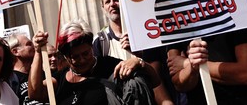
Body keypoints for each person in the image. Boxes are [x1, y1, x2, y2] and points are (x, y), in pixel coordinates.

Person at [29, 20, 159, 105]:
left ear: (91, 47)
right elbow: (35, 93)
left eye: (86, 53)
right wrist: (37, 51)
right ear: (66, 57)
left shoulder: (110, 66)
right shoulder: (59, 80)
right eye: (75, 57)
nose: (82, 60)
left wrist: (139, 62)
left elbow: (155, 81)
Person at [94, 0, 175, 105]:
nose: (112, 4)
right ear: (103, 8)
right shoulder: (100, 42)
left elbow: (156, 77)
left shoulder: (145, 32)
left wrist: (138, 57)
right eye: (107, 2)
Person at [167, 30, 247, 104]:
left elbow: (244, 74)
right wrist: (192, 68)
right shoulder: (176, 21)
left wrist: (189, 64)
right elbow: (179, 83)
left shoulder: (237, 11)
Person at [7, 34, 43, 105]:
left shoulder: (41, 74)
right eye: (29, 44)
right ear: (15, 51)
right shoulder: (9, 80)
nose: (34, 46)